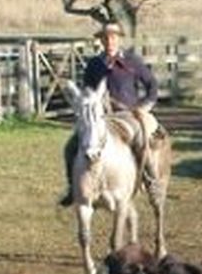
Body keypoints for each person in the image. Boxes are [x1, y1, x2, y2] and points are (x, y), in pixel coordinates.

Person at [59, 21, 162, 206]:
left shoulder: (132, 61)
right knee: (71, 146)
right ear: (101, 40)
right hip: (101, 118)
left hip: (128, 115)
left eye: (113, 37)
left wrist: (144, 106)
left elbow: (152, 86)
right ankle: (73, 188)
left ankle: (151, 182)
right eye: (106, 38)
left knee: (142, 141)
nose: (110, 41)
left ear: (119, 39)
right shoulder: (94, 64)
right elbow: (88, 91)